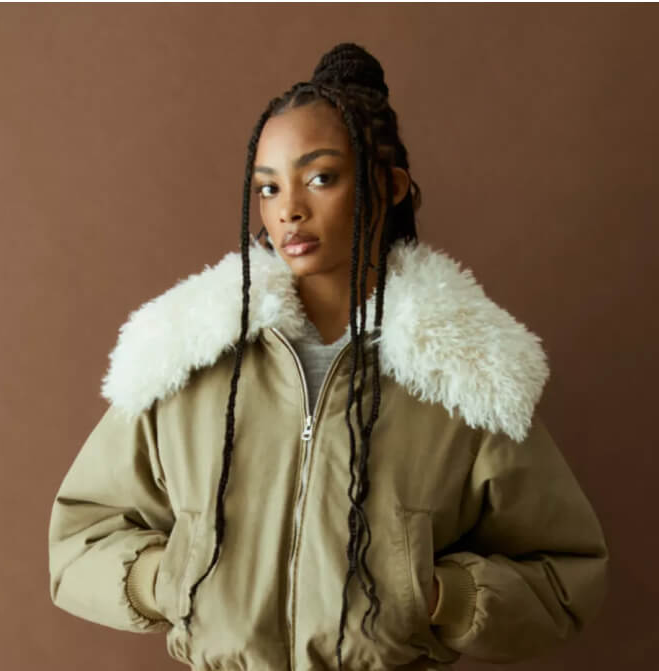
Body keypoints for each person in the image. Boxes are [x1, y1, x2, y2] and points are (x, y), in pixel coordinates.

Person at [48, 42, 609, 671]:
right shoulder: (188, 357)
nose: (289, 208)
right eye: (268, 187)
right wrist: (171, 580)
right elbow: (79, 538)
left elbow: (566, 575)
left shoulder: (466, 375)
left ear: (388, 187)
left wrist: (432, 596)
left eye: (320, 178)